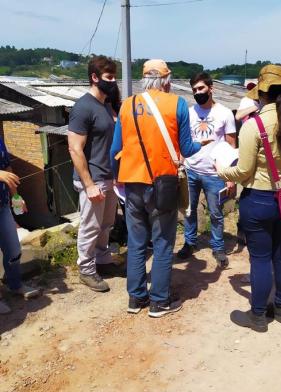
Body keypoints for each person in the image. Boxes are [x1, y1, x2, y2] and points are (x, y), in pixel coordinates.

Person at [217, 64, 281, 332]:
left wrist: (220, 171)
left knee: (259, 258)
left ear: (263, 94)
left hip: (258, 199)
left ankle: (258, 315)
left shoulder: (254, 124)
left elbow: (243, 170)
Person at [110, 59, 203, 318]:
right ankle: (159, 301)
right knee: (162, 243)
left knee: (137, 242)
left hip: (132, 184)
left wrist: (117, 178)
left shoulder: (127, 105)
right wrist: (204, 144)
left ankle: (135, 298)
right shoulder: (177, 104)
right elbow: (187, 149)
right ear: (166, 80)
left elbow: (115, 149)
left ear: (144, 79)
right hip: (163, 184)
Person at [68, 56, 122, 292]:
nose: (113, 82)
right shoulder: (83, 107)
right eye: (109, 77)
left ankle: (102, 260)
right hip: (93, 179)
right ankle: (86, 270)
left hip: (108, 176)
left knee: (106, 223)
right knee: (91, 225)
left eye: (114, 77)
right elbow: (75, 148)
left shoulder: (105, 105)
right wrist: (88, 184)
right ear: (94, 77)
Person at [177, 72, 237, 268]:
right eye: (194, 90)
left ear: (211, 89)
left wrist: (230, 175)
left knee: (216, 212)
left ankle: (218, 246)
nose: (198, 92)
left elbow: (231, 145)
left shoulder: (225, 113)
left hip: (214, 173)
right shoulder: (189, 112)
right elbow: (183, 141)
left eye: (201, 88)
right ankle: (190, 242)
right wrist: (180, 162)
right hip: (191, 170)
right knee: (189, 210)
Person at [0, 136, 40, 314]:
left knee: (14, 250)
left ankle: (14, 285)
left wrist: (16, 197)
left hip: (2, 205)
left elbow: (8, 170)